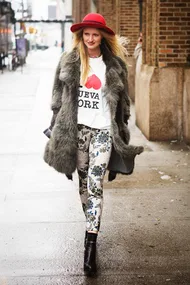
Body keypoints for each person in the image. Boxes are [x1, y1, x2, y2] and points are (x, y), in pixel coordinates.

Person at [43, 13, 143, 276]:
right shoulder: (70, 60)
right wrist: (57, 131)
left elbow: (123, 106)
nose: (90, 38)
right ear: (81, 35)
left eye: (95, 34)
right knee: (85, 186)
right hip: (76, 132)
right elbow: (57, 99)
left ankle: (90, 243)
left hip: (103, 131)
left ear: (102, 36)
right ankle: (91, 223)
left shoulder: (115, 65)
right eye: (86, 34)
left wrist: (122, 133)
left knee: (95, 184)